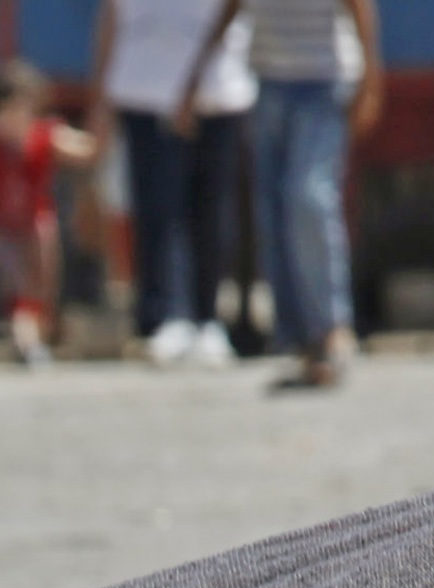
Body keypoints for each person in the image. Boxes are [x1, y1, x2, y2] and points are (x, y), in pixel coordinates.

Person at [175, 0, 384, 389]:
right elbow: (230, 9)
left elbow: (360, 8)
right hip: (269, 82)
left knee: (308, 198)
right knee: (273, 212)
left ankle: (332, 327)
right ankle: (300, 336)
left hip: (325, 82)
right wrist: (195, 76)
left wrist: (371, 78)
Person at [87, 0, 256, 366]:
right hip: (143, 85)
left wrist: (192, 81)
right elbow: (112, 15)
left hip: (216, 88)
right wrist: (100, 98)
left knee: (212, 211)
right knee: (157, 210)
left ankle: (207, 319)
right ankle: (164, 317)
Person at [0, 61, 100, 368]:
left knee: (43, 287)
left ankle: (38, 335)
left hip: (37, 223)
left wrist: (101, 118)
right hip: (2, 226)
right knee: (17, 287)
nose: (17, 117)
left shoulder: (46, 135)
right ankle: (28, 342)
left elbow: (88, 152)